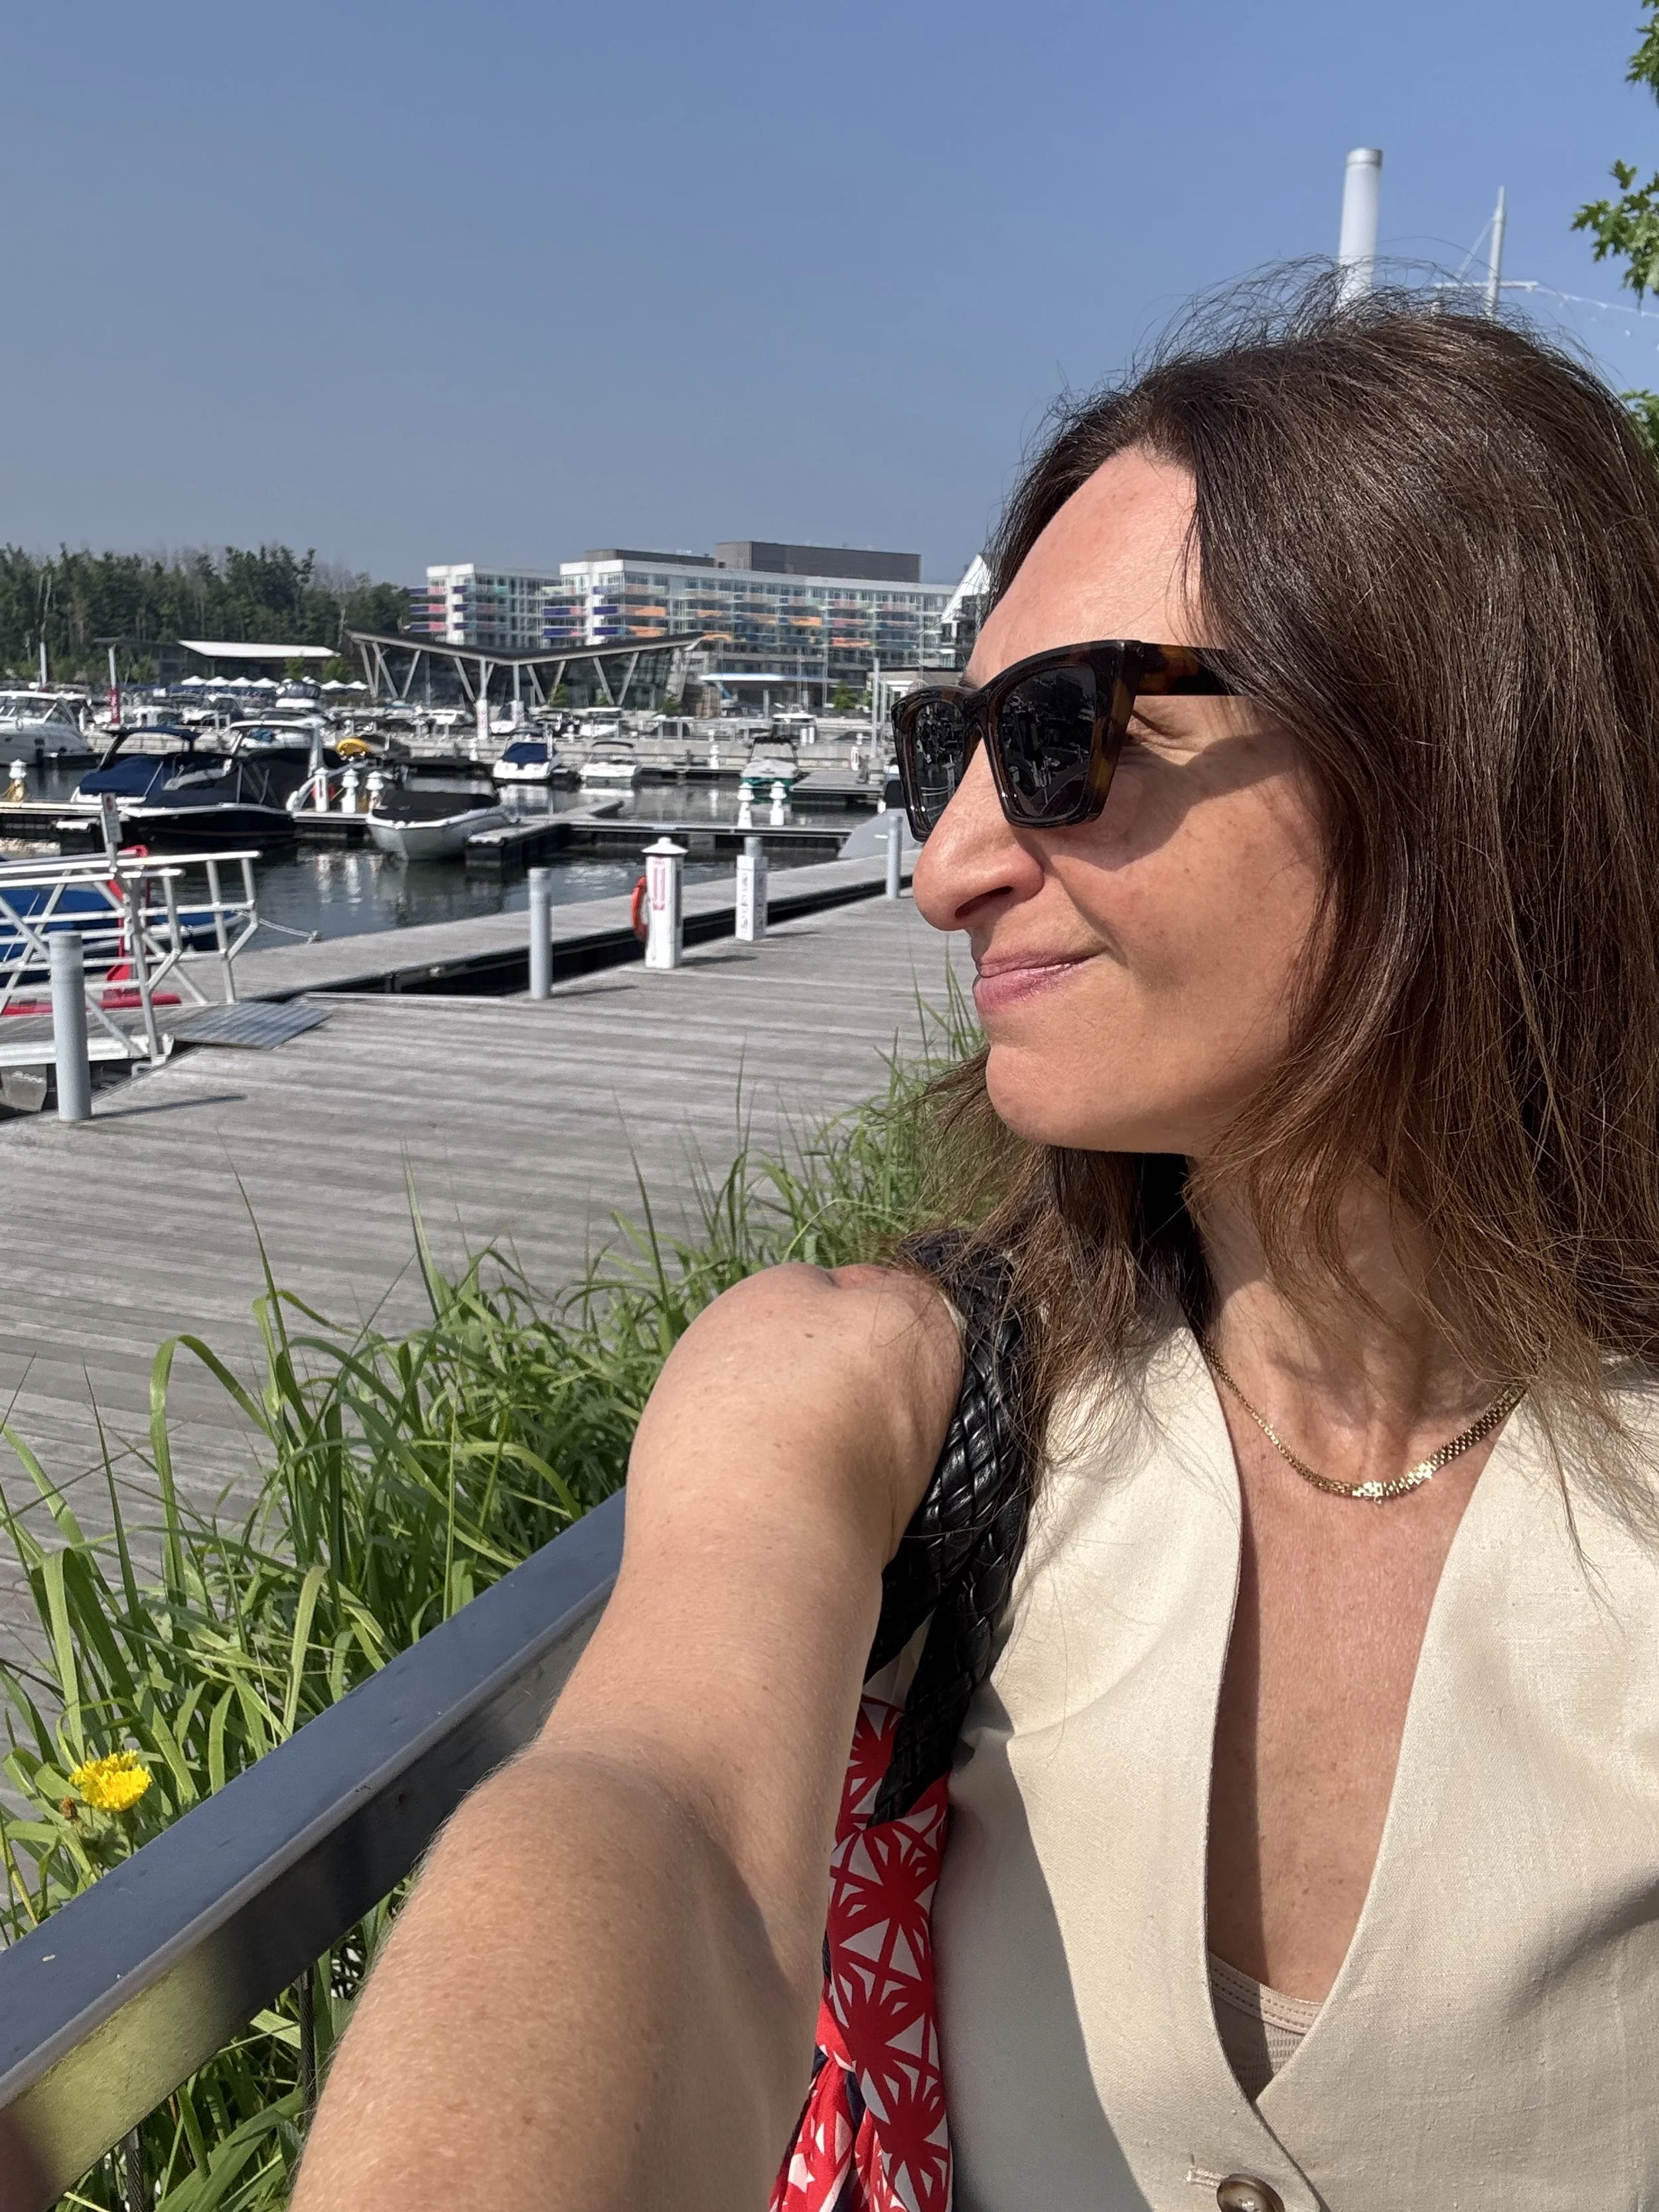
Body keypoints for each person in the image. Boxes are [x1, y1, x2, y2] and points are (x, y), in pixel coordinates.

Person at [293, 279, 1659, 2212]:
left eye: (1055, 732)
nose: (942, 867)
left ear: (1449, 738)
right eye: (942, 747)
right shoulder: (878, 1388)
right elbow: (661, 1818)